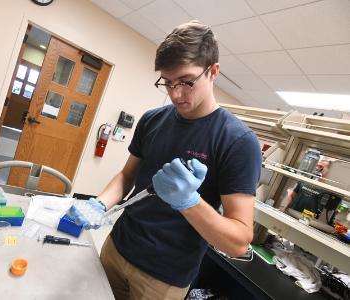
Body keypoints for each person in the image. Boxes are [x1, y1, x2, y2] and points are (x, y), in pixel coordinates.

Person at [70, 21, 262, 300]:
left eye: (186, 81)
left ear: (214, 72)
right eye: (168, 82)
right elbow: (127, 177)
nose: (175, 94)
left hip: (164, 277)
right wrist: (100, 203)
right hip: (117, 248)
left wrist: (189, 201)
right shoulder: (152, 119)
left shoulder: (238, 141)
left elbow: (238, 241)